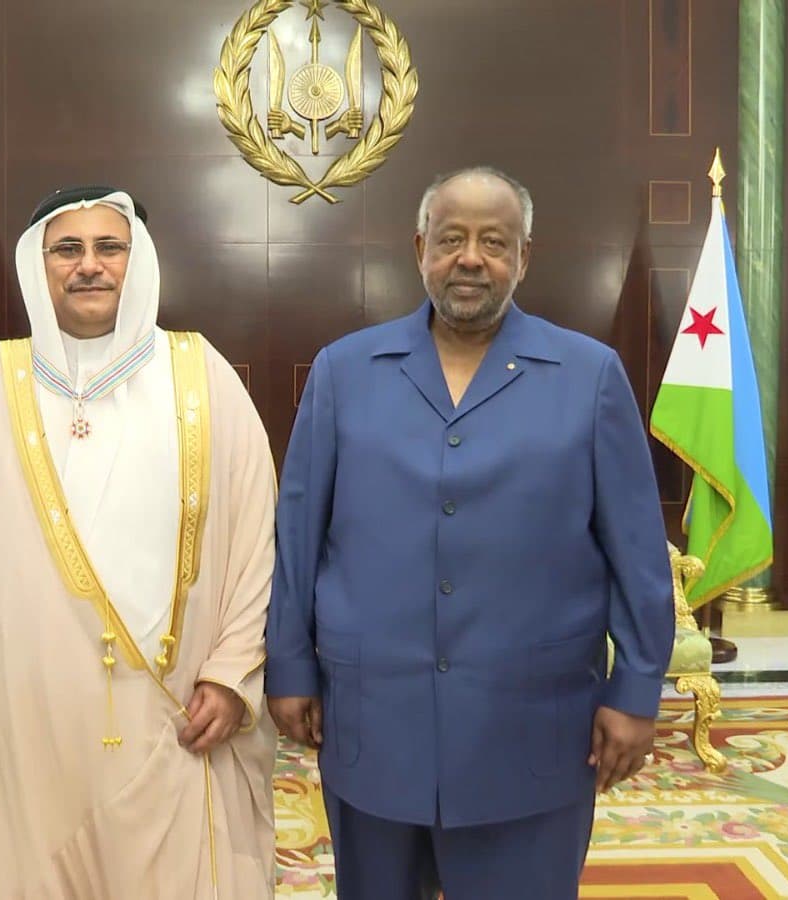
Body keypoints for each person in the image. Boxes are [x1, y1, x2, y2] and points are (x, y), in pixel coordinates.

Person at [266, 167, 675, 898]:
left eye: (494, 242)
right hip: (375, 725)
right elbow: (297, 536)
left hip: (531, 730)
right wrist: (290, 665)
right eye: (451, 238)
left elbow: (638, 552)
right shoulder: (344, 372)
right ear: (420, 248)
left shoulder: (588, 376)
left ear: (524, 257)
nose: (471, 258)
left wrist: (637, 689)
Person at [0, 186, 278, 897]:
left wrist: (233, 672)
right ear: (38, 265)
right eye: (67, 249)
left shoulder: (203, 378)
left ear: (139, 260)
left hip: (176, 711)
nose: (89, 266)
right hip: (20, 712)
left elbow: (257, 541)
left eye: (109, 247)